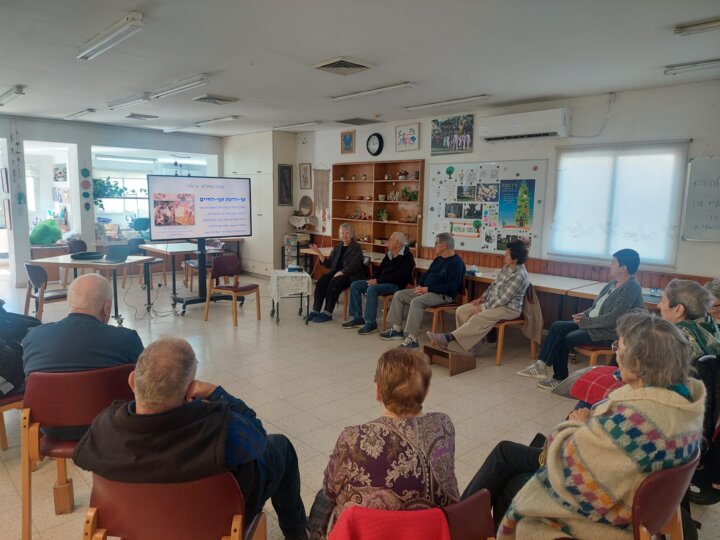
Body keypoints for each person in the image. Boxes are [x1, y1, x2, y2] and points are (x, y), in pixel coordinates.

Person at [463, 312, 705, 538]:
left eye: (619, 348)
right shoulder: (682, 404)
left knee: (512, 482)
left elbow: (569, 467)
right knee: (507, 454)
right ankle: (459, 520)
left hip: (607, 517)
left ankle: (458, 524)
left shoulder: (633, 421)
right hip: (640, 502)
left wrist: (578, 426)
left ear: (639, 362)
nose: (616, 355)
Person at [73, 337, 308, 540]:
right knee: (280, 446)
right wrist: (218, 393)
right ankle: (297, 534)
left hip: (132, 521)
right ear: (189, 393)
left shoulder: (103, 427)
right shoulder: (218, 428)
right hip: (214, 520)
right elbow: (258, 438)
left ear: (133, 381)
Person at [307, 349, 459, 538]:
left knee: (324, 496)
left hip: (371, 531)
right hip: (433, 531)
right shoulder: (443, 424)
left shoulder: (352, 438)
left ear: (378, 391)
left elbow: (330, 490)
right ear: (426, 391)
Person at [516, 248, 643, 389]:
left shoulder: (631, 288)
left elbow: (614, 319)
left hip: (606, 331)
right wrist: (583, 314)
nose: (610, 265)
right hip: (592, 323)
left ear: (623, 268)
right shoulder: (613, 284)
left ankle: (559, 377)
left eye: (613, 262)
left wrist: (585, 321)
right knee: (558, 326)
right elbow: (596, 307)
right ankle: (541, 364)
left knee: (567, 338)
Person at [22, 273, 143, 376]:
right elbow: (146, 380)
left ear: (70, 302)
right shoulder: (127, 340)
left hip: (46, 398)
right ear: (107, 307)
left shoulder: (33, 337)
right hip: (108, 398)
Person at [427, 240, 529, 355]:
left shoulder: (519, 275)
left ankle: (447, 338)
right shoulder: (507, 267)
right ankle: (472, 345)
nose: (504, 254)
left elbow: (503, 299)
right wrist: (483, 298)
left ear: (515, 259)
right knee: (461, 311)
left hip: (508, 308)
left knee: (478, 317)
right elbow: (494, 286)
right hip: (494, 303)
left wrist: (483, 307)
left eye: (508, 253)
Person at [379, 232, 465, 349]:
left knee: (416, 302)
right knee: (399, 295)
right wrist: (420, 286)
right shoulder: (438, 259)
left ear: (444, 246)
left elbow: (451, 287)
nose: (434, 246)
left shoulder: (457, 264)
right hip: (426, 291)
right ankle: (396, 330)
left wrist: (428, 289)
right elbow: (427, 274)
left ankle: (412, 339)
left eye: (436, 244)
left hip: (442, 295)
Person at [341, 231, 415, 335]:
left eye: (390, 240)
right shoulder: (389, 254)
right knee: (355, 285)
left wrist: (377, 281)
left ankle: (371, 323)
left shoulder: (407, 257)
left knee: (372, 289)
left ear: (398, 243)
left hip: (395, 285)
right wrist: (371, 279)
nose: (388, 242)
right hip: (381, 282)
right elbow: (379, 270)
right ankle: (358, 318)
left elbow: (398, 277)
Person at [307, 223, 364, 323]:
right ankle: (316, 310)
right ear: (340, 235)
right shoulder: (337, 247)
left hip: (350, 276)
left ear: (351, 234)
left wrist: (341, 272)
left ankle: (327, 312)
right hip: (336, 273)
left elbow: (354, 266)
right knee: (321, 281)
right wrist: (319, 252)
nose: (344, 235)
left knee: (334, 282)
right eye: (342, 233)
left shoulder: (356, 248)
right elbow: (328, 264)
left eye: (347, 233)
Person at [658, 278, 720, 360]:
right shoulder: (712, 328)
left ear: (678, 310)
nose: (659, 305)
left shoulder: (673, 339)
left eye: (663, 301)